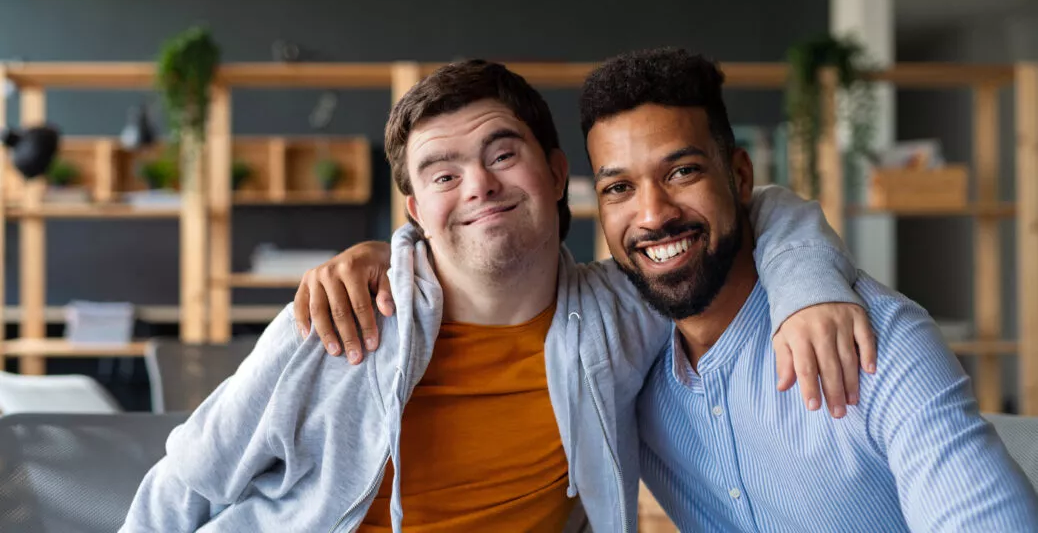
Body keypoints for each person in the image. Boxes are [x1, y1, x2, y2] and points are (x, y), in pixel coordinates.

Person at [122, 58, 872, 533]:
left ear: (556, 173)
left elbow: (756, 208)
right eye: (443, 173)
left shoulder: (624, 314)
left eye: (502, 154)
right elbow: (185, 485)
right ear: (416, 210)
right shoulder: (339, 319)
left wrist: (808, 291)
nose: (478, 185)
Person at [304, 49, 1038, 531]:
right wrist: (389, 254)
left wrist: (811, 283)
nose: (653, 214)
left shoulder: (876, 342)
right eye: (620, 188)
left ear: (739, 177)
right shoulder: (626, 348)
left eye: (682, 172)